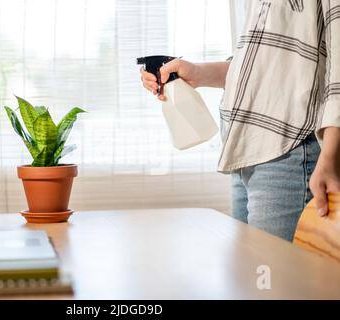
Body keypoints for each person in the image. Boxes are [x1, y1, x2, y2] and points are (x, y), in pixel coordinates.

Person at [140, 0, 340, 241]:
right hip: (247, 150)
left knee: (276, 275)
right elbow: (260, 70)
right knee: (251, 273)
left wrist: (330, 157)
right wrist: (197, 73)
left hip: (291, 153)